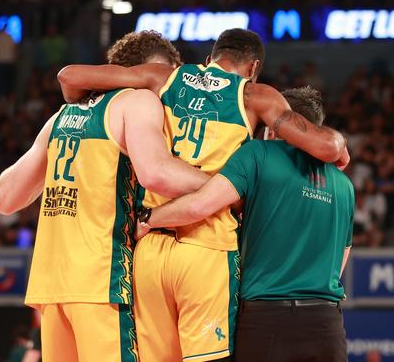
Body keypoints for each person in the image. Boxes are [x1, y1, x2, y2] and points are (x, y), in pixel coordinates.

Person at [57, 28, 349, 362]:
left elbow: (70, 77)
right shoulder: (255, 96)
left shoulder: (162, 76)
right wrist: (340, 151)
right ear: (253, 69)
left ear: (209, 60)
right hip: (206, 244)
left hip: (149, 248)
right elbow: (327, 147)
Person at [0, 31, 208, 362]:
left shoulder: (59, 118)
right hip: (102, 281)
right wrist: (228, 185)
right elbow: (156, 173)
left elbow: (6, 199)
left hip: (52, 290)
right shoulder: (137, 101)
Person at [135, 87, 353, 362]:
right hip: (326, 323)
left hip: (266, 318)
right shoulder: (345, 185)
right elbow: (340, 260)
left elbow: (200, 205)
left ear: (277, 127)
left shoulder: (259, 154)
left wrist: (149, 219)